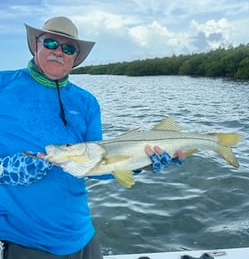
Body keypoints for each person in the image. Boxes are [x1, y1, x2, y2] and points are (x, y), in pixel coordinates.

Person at [0, 16, 184, 259]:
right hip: (26, 239)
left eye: (68, 48)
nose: (58, 52)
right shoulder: (4, 84)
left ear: (75, 58)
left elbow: (97, 164)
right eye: (51, 43)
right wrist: (3, 168)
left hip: (82, 234)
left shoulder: (86, 102)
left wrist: (142, 163)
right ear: (36, 44)